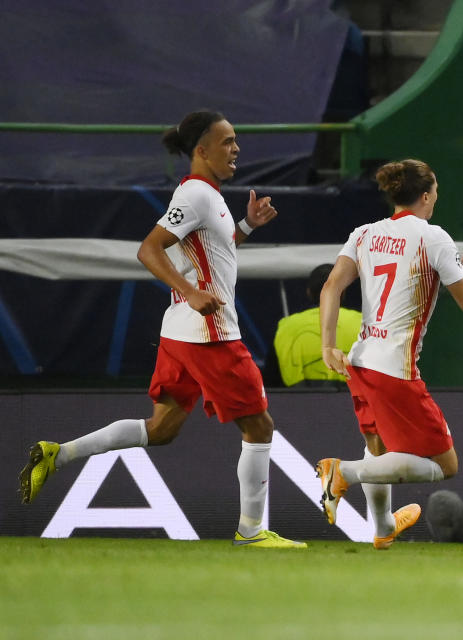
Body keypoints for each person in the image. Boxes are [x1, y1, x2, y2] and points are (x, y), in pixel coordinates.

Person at [18, 110, 305, 549]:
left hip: (181, 333)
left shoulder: (207, 195)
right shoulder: (195, 195)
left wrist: (246, 225)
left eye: (236, 140)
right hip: (210, 333)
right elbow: (149, 250)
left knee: (162, 428)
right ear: (201, 150)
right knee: (260, 427)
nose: (236, 148)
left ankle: (60, 452)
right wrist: (191, 292)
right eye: (226, 141)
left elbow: (213, 253)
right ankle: (251, 532)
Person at [315, 158, 463, 550]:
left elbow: (331, 286)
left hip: (359, 362)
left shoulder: (364, 233)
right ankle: (341, 473)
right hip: (395, 367)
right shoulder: (433, 237)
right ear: (425, 196)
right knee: (446, 466)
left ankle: (382, 527)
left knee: (378, 449)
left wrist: (328, 345)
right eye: (436, 193)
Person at [273, 264, 362, 386]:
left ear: (309, 293)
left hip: (298, 402)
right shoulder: (362, 322)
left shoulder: (286, 327)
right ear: (342, 292)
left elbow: (272, 380)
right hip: (354, 401)